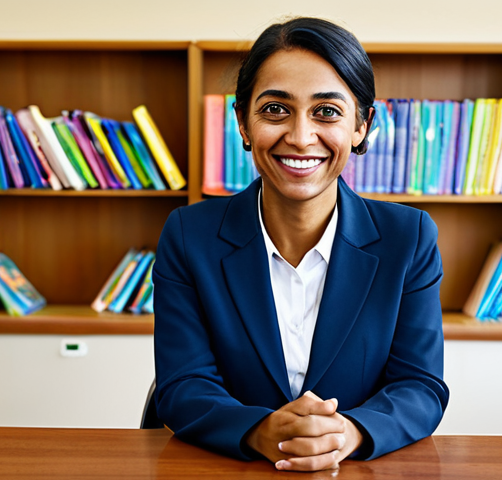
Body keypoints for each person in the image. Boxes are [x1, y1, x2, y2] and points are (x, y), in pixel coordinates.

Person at [152, 16, 449, 472]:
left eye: (327, 112)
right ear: (243, 122)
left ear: (361, 125)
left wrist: (349, 432)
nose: (300, 136)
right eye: (275, 109)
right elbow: (182, 383)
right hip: (230, 468)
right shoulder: (189, 234)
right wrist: (257, 431)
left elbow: (420, 385)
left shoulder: (408, 237)